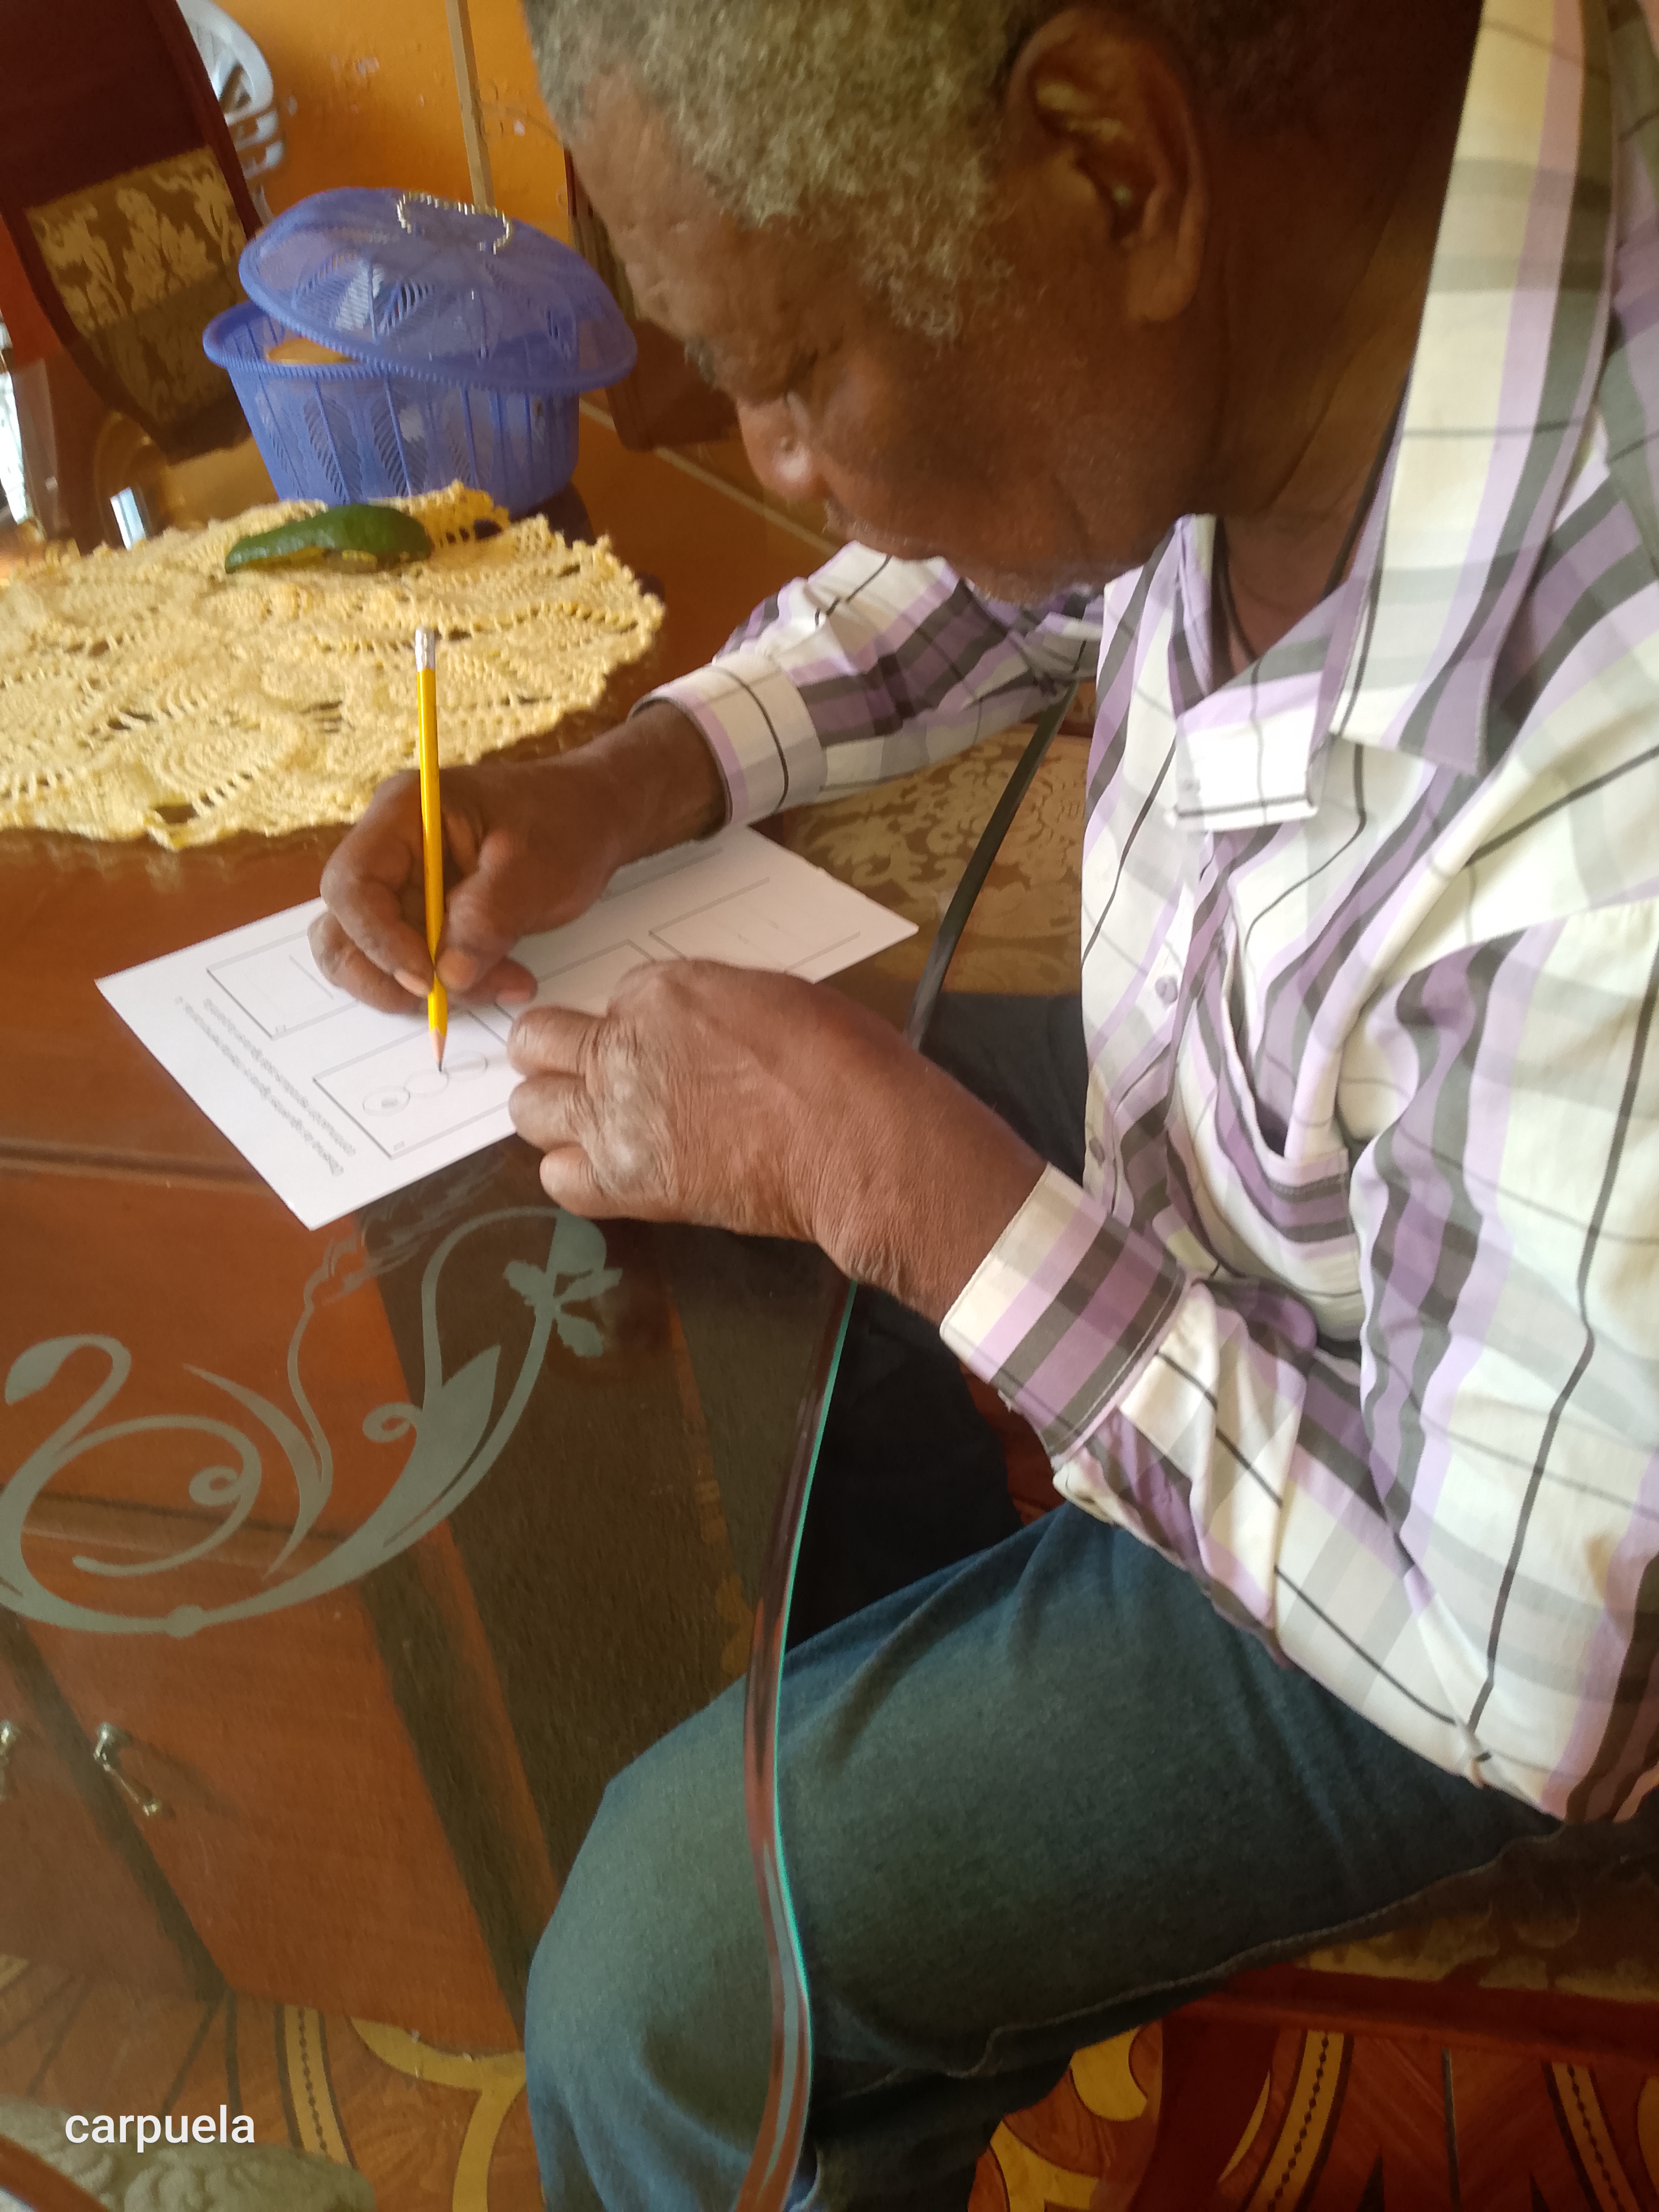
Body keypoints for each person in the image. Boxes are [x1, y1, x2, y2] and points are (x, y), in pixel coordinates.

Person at [312, 0, 1659, 2200]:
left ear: (1109, 160)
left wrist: (915, 1191)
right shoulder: (1307, 266)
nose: (775, 461)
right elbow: (1032, 550)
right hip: (1258, 1159)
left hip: (1447, 1539)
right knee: (651, 1179)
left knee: (669, 1976)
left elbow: (1534, 1679)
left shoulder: (1618, 757)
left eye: (791, 368)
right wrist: (642, 769)